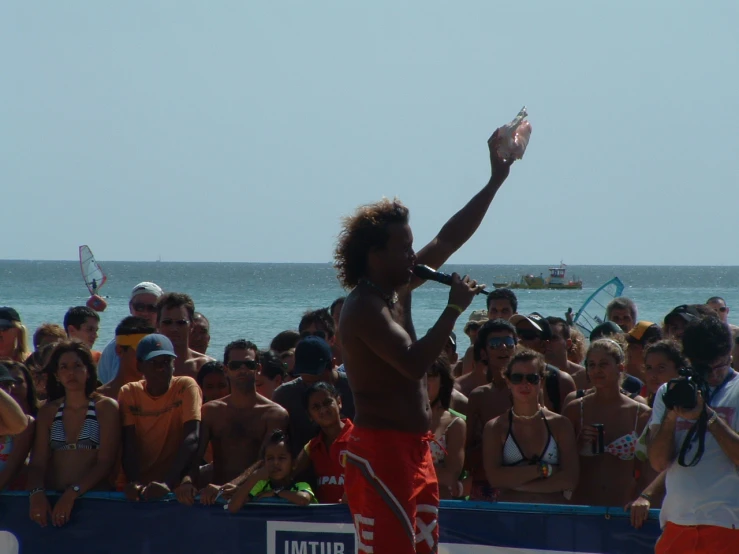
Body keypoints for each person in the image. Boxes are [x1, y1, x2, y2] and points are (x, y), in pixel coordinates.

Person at [336, 128, 514, 553]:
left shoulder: (395, 290)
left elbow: (449, 238)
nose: (415, 257)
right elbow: (414, 363)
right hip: (381, 454)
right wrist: (454, 308)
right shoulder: (363, 307)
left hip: (416, 451)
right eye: (405, 247)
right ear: (374, 255)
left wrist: (496, 180)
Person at [648, 316, 739, 552]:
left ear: (730, 355)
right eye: (703, 368)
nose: (712, 375)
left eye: (718, 366)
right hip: (678, 524)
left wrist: (708, 416)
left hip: (730, 526)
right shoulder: (670, 391)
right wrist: (671, 415)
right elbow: (658, 462)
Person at [175, 341, 288, 507]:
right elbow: (195, 456)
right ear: (226, 369)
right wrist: (186, 481)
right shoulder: (211, 411)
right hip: (215, 499)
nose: (242, 370)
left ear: (258, 369)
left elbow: (266, 461)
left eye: (249, 364)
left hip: (256, 500)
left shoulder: (275, 415)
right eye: (235, 365)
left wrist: (233, 485)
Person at [26, 341, 119, 527]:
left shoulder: (105, 407)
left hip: (94, 500)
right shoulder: (48, 412)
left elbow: (105, 462)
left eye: (77, 366)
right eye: (64, 367)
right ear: (57, 375)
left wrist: (73, 493)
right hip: (54, 499)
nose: (71, 372)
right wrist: (36, 493)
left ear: (88, 371)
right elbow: (37, 463)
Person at [563, 339, 651, 507]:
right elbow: (562, 462)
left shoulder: (640, 413)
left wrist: (642, 499)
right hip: (582, 506)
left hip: (624, 507)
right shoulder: (575, 410)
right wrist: (578, 444)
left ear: (620, 367)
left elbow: (648, 469)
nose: (597, 370)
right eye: (591, 365)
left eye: (603, 364)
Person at [483, 350, 578, 504]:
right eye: (517, 378)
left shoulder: (560, 424)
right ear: (508, 381)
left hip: (552, 515)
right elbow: (495, 478)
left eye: (532, 378)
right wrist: (545, 470)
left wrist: (519, 484)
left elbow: (569, 479)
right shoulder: (495, 427)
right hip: (510, 518)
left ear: (542, 381)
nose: (524, 384)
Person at [118, 334, 201, 501]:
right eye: (153, 363)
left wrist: (167, 483)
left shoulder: (185, 385)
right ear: (139, 366)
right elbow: (129, 443)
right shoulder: (129, 392)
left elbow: (192, 437)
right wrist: (135, 483)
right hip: (140, 484)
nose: (161, 368)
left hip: (174, 484)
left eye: (166, 362)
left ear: (173, 364)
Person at [626, 339, 685, 528]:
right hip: (643, 508)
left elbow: (677, 461)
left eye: (661, 368)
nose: (653, 375)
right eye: (649, 368)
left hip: (671, 505)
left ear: (680, 370)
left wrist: (647, 495)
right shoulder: (646, 411)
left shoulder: (684, 412)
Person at [273, 337, 355, 457]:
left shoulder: (355, 388)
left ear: (332, 364)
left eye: (318, 381)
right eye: (307, 383)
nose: (314, 389)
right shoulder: (284, 396)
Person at [465, 319, 519, 500]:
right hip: (485, 486)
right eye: (495, 344)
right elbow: (466, 454)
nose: (503, 347)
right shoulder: (478, 396)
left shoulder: (534, 390)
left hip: (524, 485)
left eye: (509, 342)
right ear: (484, 353)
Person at [292, 382, 354, 503]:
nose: (323, 410)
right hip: (324, 519)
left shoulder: (358, 438)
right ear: (310, 416)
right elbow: (288, 474)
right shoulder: (312, 446)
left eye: (327, 403)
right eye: (316, 407)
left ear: (339, 402)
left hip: (356, 516)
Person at [227, 429, 316, 511]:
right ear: (264, 463)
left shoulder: (300, 486)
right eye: (270, 458)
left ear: (293, 464)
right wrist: (254, 477)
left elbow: (303, 499)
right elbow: (233, 507)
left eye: (281, 458)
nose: (275, 463)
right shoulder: (261, 485)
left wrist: (276, 493)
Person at [97, 282, 164, 385]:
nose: (145, 313)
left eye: (152, 308)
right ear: (130, 307)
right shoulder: (113, 348)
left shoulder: (167, 344)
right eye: (139, 307)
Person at [509, 314, 576, 413]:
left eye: (528, 335)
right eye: (516, 333)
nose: (519, 339)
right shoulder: (503, 377)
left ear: (544, 344)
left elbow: (568, 425)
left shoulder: (561, 381)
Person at [426, 355, 466, 499]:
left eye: (431, 376)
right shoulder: (400, 419)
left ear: (442, 382)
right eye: (420, 376)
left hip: (439, 504)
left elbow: (450, 476)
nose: (424, 382)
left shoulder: (454, 424)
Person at [97, 317, 156, 401]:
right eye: (141, 351)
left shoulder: (164, 397)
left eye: (152, 351)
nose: (148, 358)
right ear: (119, 350)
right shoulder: (97, 400)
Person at [156, 292, 213, 378]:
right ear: (157, 325)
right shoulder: (146, 366)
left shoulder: (205, 367)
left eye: (181, 323)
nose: (174, 329)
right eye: (167, 322)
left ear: (192, 326)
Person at [0, 362, 38, 491]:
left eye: (7, 384)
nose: (11, 388)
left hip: (13, 499)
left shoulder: (28, 422)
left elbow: (12, 468)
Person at [544, 317, 587, 389]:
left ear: (568, 344)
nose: (547, 342)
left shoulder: (584, 377)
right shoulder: (531, 377)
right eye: (544, 337)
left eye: (553, 338)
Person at [330, 297, 346, 366]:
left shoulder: (361, 344)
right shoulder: (327, 345)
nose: (343, 318)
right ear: (331, 317)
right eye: (338, 315)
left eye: (346, 314)